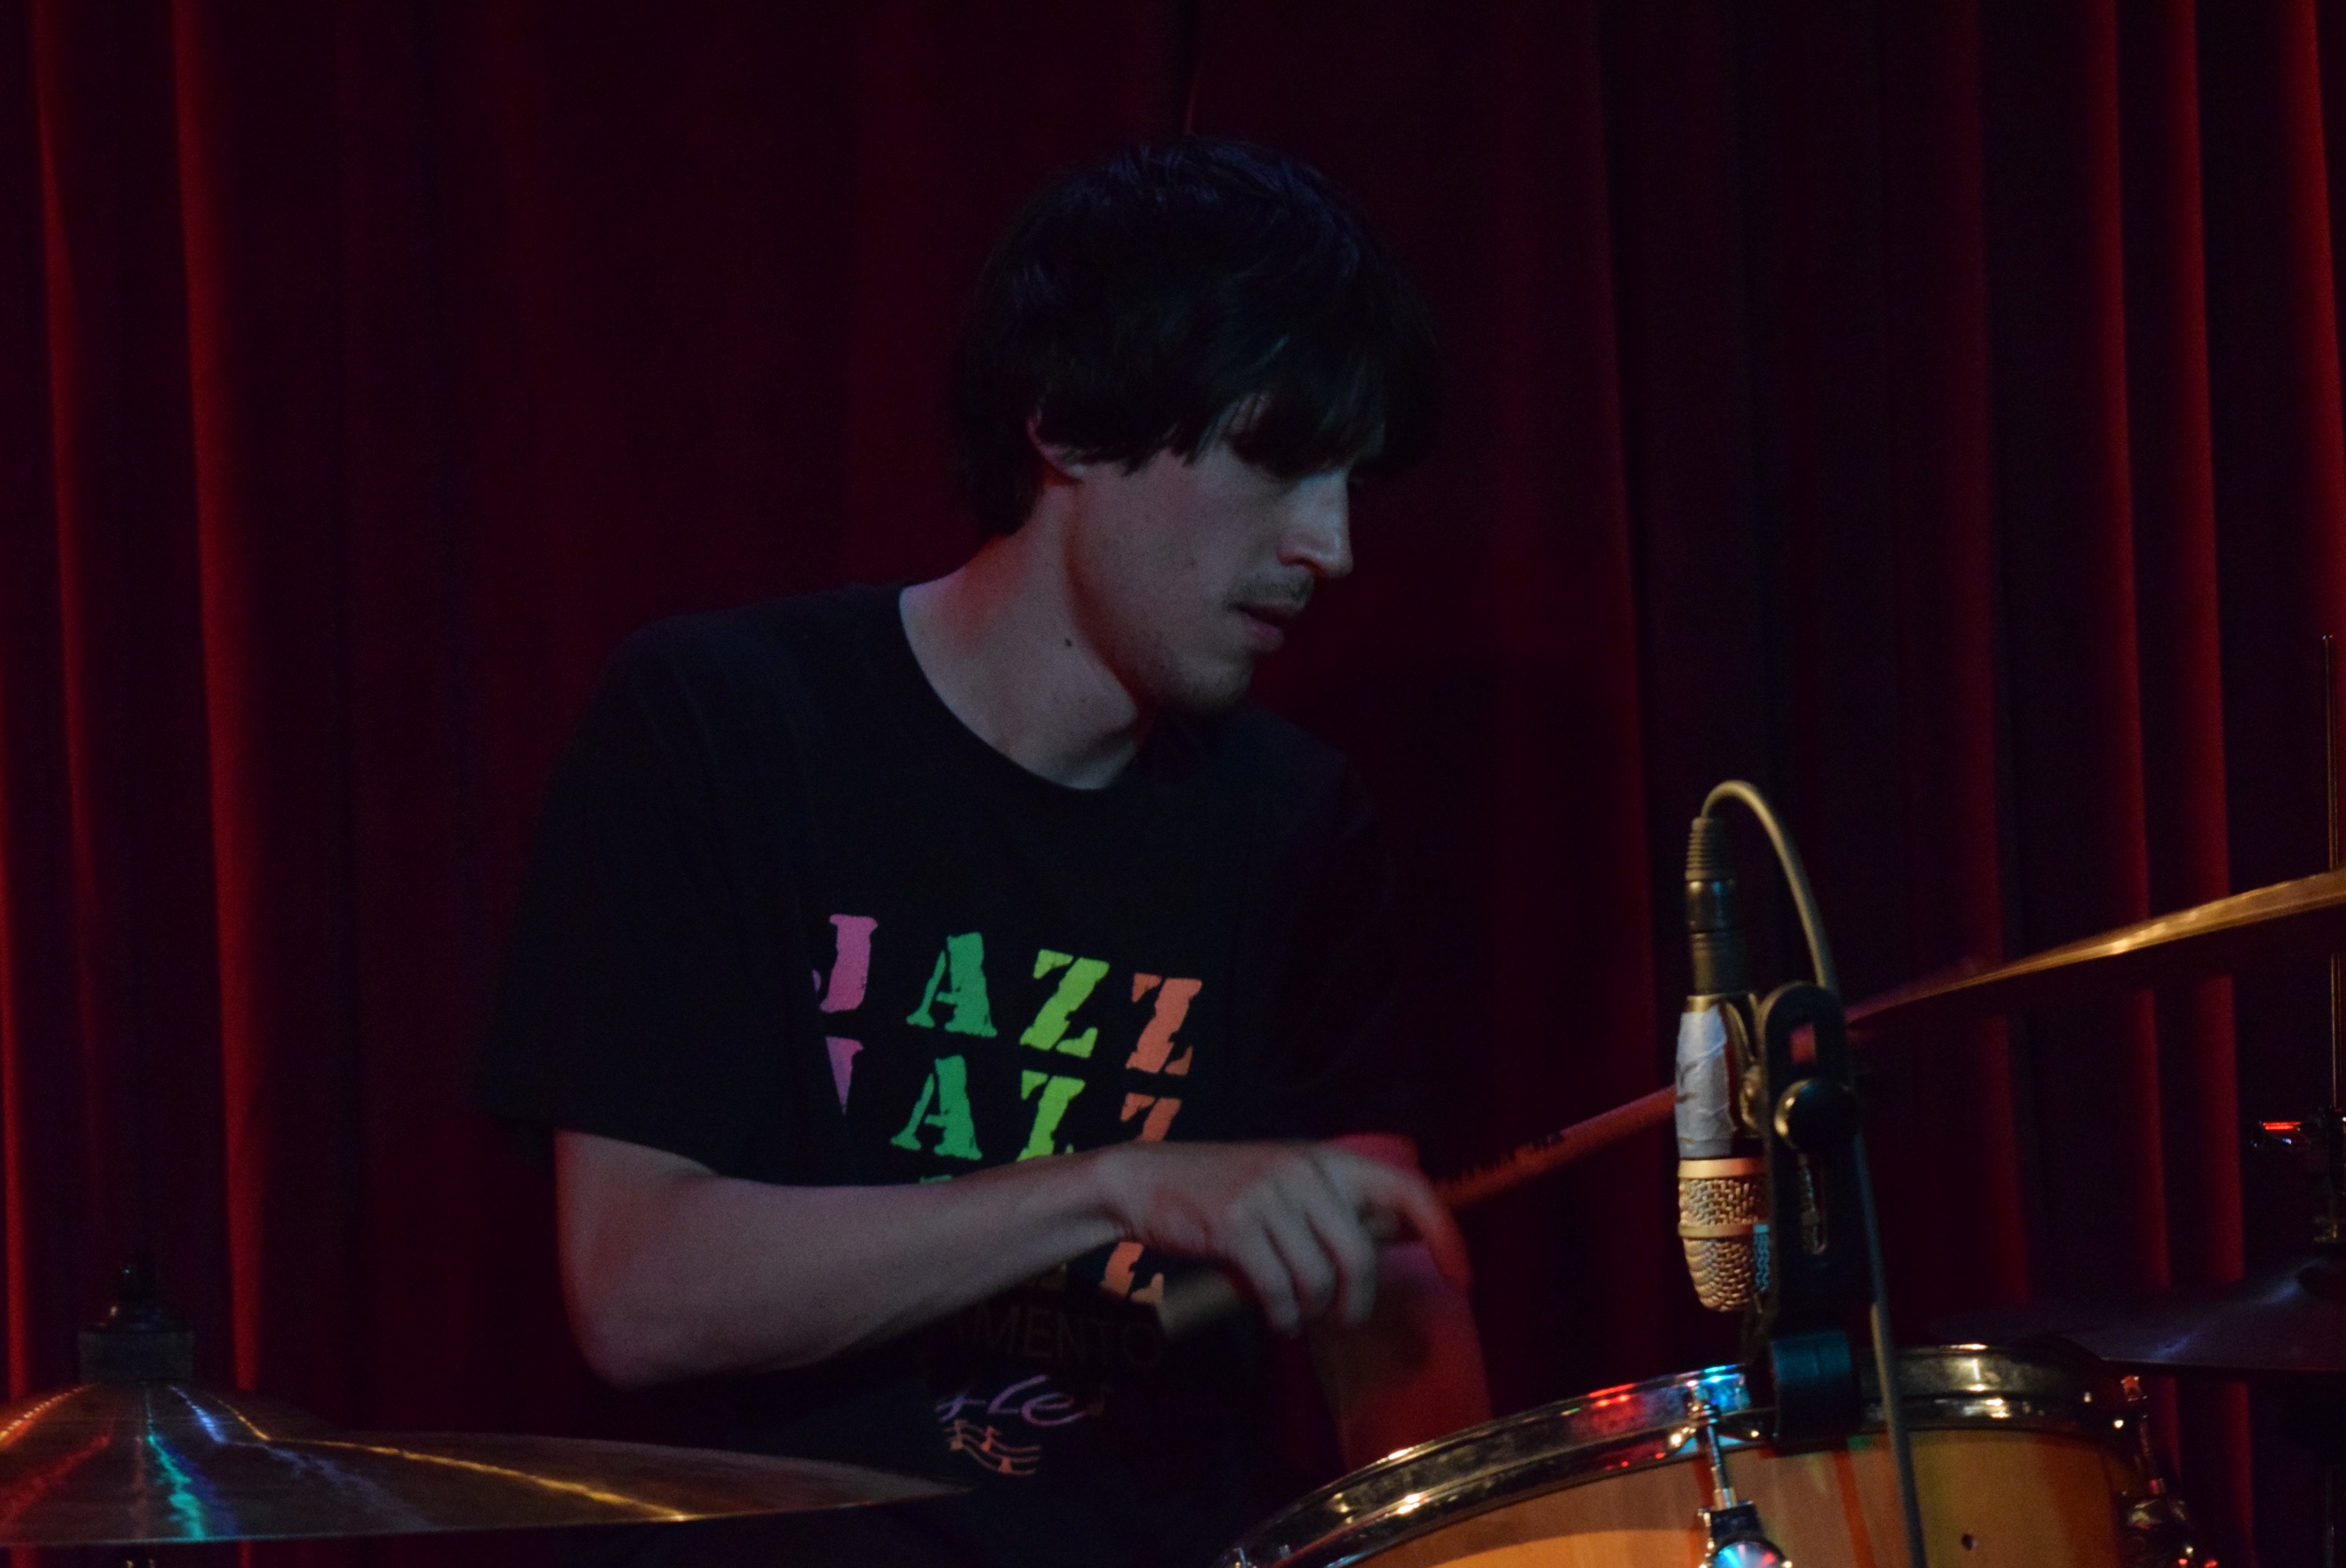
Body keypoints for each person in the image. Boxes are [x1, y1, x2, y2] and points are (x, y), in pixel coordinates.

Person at [479, 137, 1491, 1568]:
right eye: (1276, 460)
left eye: (1350, 484)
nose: (1329, 547)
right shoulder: (724, 727)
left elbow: (1388, 1305)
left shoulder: (1292, 821)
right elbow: (637, 1291)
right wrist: (1115, 1184)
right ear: (1067, 423)